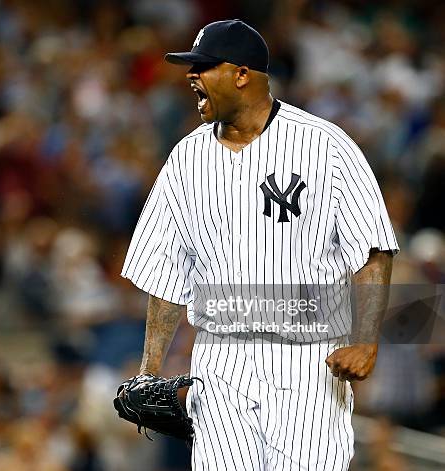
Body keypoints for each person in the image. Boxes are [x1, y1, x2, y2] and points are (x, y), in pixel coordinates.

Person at [119, 20, 398, 470]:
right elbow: (166, 271)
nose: (192, 76)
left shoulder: (324, 146)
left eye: (204, 67)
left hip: (308, 360)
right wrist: (149, 370)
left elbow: (371, 250)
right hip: (219, 361)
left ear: (242, 74)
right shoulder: (186, 158)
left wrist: (366, 341)